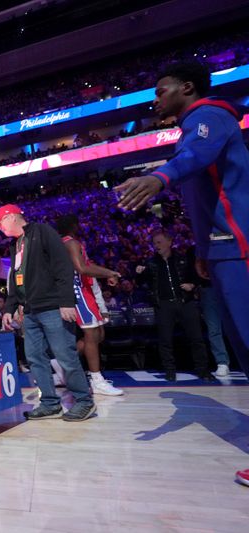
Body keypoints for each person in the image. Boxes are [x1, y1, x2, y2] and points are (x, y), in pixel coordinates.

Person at [114, 61, 249, 486]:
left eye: (161, 89)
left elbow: (196, 155)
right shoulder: (194, 124)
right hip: (222, 251)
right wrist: (203, 250)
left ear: (186, 87)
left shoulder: (209, 115)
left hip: (240, 247)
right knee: (242, 349)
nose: (156, 99)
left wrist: (160, 177)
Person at [0, 204, 96, 422]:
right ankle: (50, 403)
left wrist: (66, 301)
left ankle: (84, 401)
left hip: (52, 307)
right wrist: (10, 308)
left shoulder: (42, 231)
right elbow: (15, 280)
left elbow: (63, 266)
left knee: (65, 355)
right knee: (36, 359)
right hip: (30, 312)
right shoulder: (15, 244)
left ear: (11, 217)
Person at [56, 214, 124, 396]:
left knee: (98, 334)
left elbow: (87, 267)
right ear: (74, 225)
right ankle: (97, 380)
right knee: (91, 334)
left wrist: (104, 274)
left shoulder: (72, 242)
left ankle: (62, 363)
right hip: (77, 291)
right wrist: (110, 271)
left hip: (86, 289)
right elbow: (82, 268)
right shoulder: (70, 243)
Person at [135, 229, 213, 382]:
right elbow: (140, 283)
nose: (156, 246)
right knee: (165, 340)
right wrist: (138, 274)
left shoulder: (183, 259)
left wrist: (192, 285)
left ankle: (203, 370)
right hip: (164, 305)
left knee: (196, 338)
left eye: (159, 242)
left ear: (169, 242)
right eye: (154, 243)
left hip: (185, 302)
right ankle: (170, 371)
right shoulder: (150, 263)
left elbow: (197, 277)